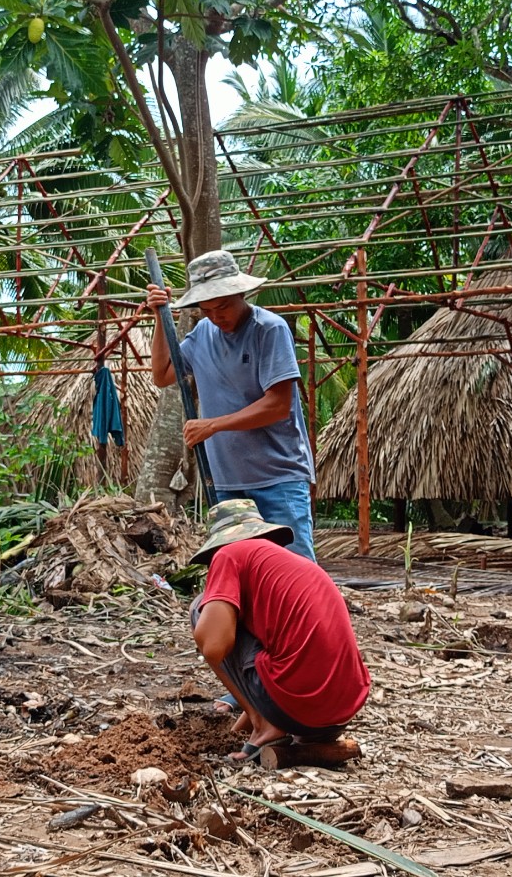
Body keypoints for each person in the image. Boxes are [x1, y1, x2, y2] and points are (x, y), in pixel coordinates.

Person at [146, 249, 317, 561]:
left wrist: (213, 424)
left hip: (277, 478)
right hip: (226, 483)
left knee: (295, 570)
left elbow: (278, 406)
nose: (216, 316)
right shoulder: (202, 335)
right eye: (206, 309)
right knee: (242, 572)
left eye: (222, 306)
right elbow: (162, 374)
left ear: (241, 292)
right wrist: (161, 316)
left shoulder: (269, 329)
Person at [189, 499, 371, 762]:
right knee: (229, 617)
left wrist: (258, 717)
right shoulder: (291, 564)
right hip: (339, 712)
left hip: (298, 706)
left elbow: (214, 646)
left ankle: (265, 726)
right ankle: (264, 720)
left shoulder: (228, 555)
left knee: (201, 608)